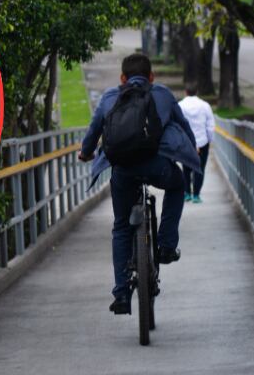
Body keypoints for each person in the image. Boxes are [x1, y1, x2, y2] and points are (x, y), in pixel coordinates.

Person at [78, 53, 201, 315]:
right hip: (157, 165)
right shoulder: (163, 94)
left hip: (122, 170)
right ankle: (166, 246)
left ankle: (121, 293)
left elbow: (93, 133)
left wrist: (86, 152)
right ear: (152, 77)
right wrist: (193, 149)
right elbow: (183, 125)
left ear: (122, 78)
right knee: (178, 184)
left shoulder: (110, 97)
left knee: (122, 227)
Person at [178, 84, 215, 204]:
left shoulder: (180, 105)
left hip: (186, 141)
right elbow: (210, 126)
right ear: (197, 91)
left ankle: (187, 193)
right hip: (202, 141)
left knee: (186, 168)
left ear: (186, 91)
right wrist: (210, 140)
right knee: (199, 169)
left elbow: (177, 123)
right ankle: (196, 195)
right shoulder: (205, 106)